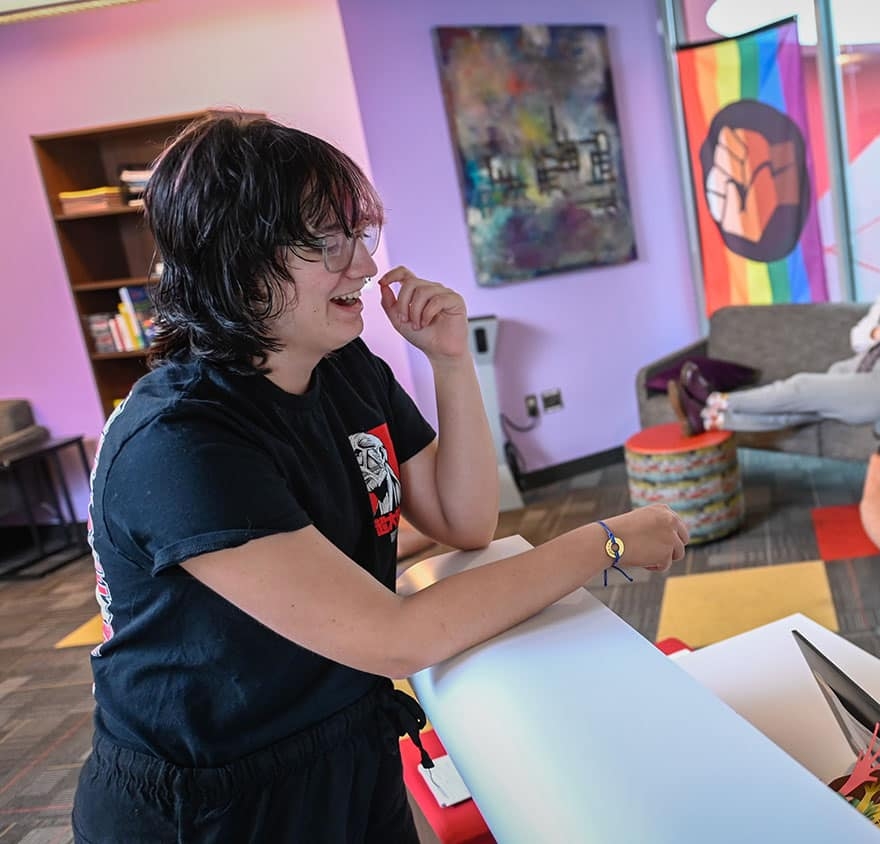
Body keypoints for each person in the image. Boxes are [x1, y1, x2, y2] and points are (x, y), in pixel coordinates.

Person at [73, 115, 688, 843]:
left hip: (342, 738)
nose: (363, 266)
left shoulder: (341, 368)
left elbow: (462, 521)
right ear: (234, 258)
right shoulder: (180, 443)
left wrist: (450, 361)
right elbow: (396, 636)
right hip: (211, 800)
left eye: (358, 236)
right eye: (325, 243)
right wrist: (606, 542)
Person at [667, 226, 880, 435]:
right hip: (863, 367)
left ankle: (717, 399)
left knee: (801, 386)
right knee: (802, 409)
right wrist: (878, 334)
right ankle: (709, 420)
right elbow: (857, 338)